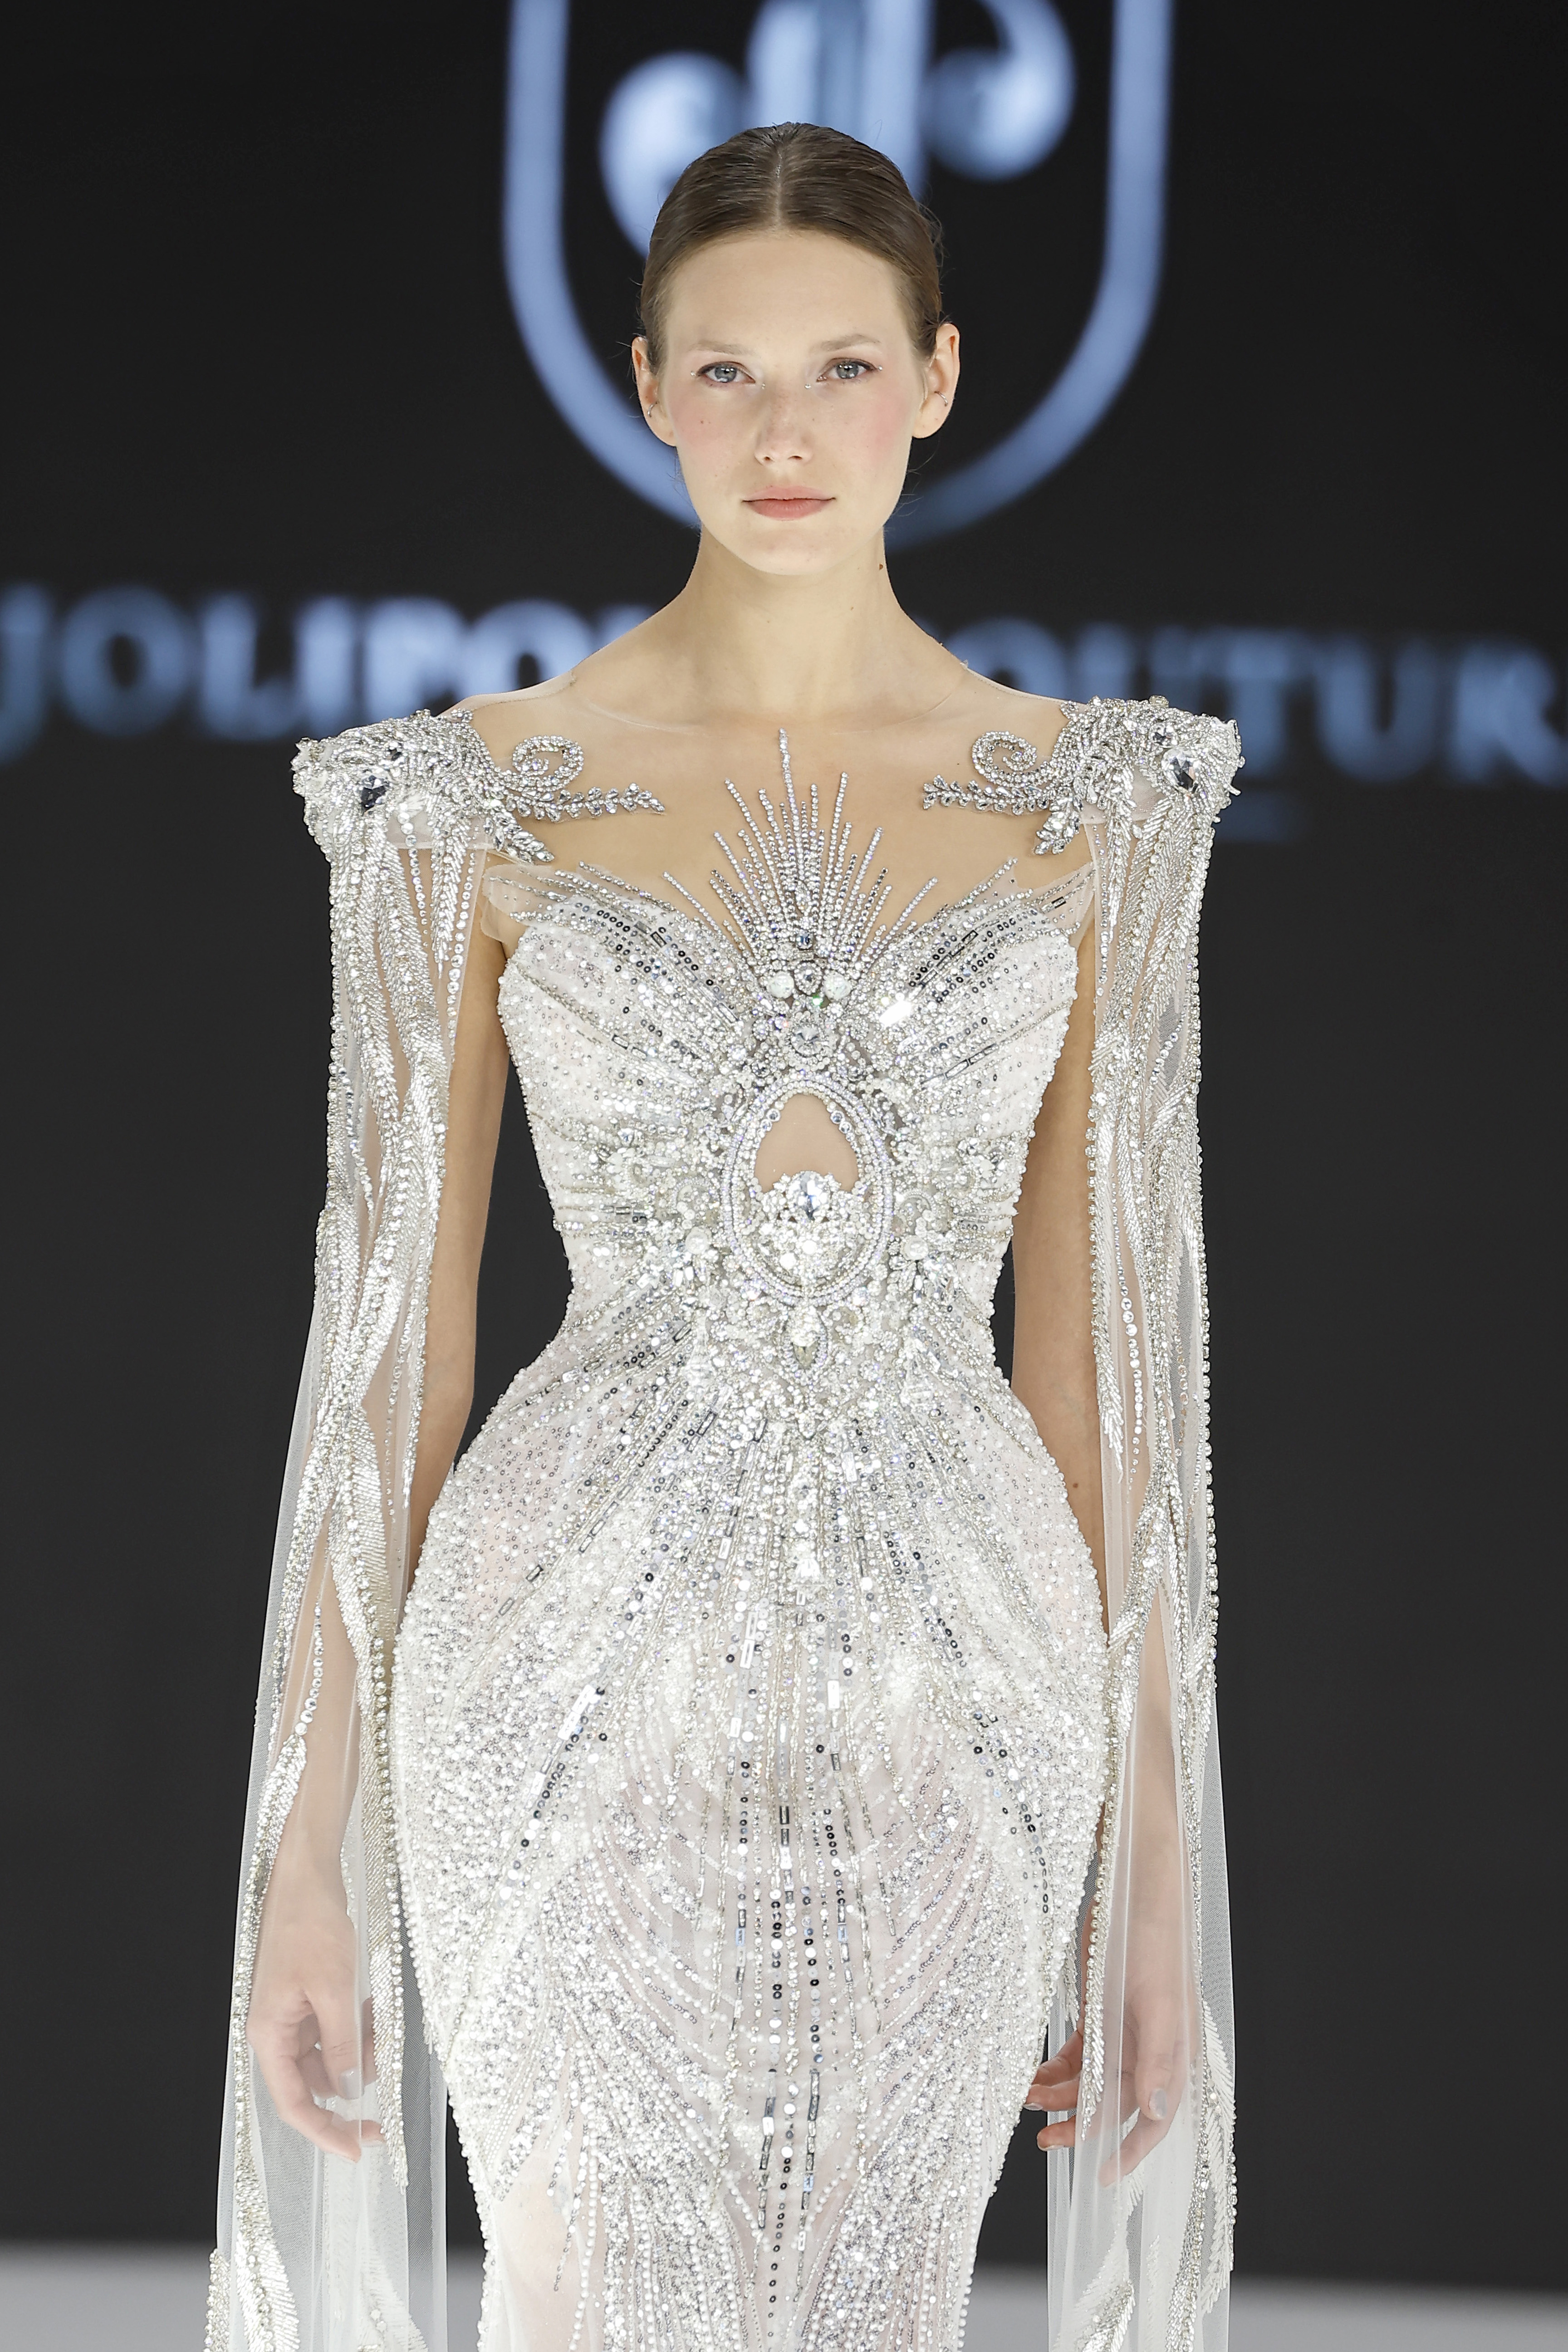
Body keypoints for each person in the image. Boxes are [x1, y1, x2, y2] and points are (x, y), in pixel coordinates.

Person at [209, 122, 1239, 2352]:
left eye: (845, 368)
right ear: (649, 388)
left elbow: (1104, 1373)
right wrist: (310, 1838)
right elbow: (391, 1351)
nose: (789, 434)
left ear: (938, 379)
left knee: (884, 2304)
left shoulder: (1101, 808)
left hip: (963, 1692)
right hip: (566, 1681)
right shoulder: (465, 800)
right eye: (732, 374)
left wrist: (1156, 1872)